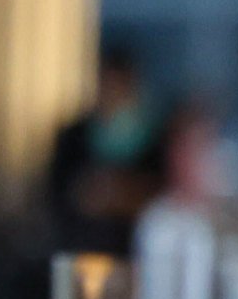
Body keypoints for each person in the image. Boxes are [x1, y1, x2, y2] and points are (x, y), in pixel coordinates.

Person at [46, 43, 171, 256]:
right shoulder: (73, 136)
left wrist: (123, 195)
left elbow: (161, 196)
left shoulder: (155, 140)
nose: (110, 92)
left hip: (133, 249)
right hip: (82, 247)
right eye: (105, 84)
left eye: (116, 85)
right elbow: (57, 192)